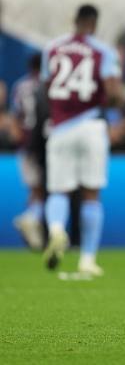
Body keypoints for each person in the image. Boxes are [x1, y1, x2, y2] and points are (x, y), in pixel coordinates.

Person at [41, 5, 122, 277]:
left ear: (74, 20)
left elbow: (46, 87)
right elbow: (113, 93)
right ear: (94, 24)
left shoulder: (52, 48)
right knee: (91, 193)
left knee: (58, 191)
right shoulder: (103, 51)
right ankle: (87, 259)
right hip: (91, 125)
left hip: (60, 126)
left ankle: (55, 230)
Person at [10, 54, 45, 250]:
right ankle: (31, 218)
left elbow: (16, 117)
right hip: (42, 141)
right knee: (46, 189)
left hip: (25, 145)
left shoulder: (20, 86)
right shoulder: (48, 84)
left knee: (34, 190)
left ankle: (35, 231)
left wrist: (20, 143)